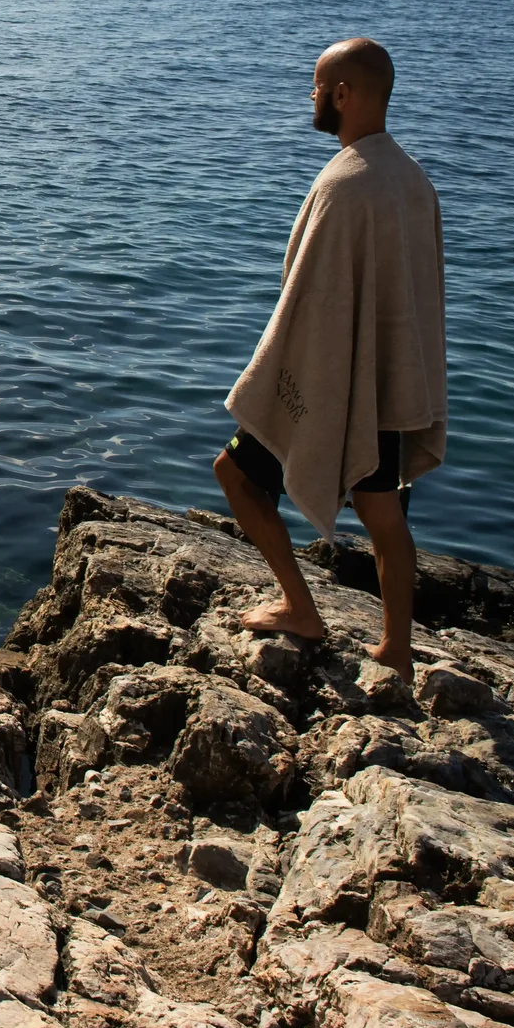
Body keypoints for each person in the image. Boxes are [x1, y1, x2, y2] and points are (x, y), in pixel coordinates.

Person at [213, 37, 446, 680]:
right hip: (392, 379)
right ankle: (396, 651)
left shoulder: (344, 185)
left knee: (234, 475)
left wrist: (286, 376)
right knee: (384, 513)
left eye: (317, 86)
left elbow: (310, 302)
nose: (312, 97)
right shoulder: (413, 181)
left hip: (335, 375)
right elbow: (422, 299)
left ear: (343, 94)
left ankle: (299, 606)